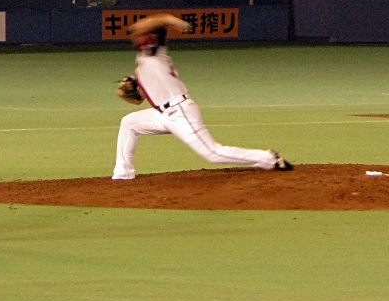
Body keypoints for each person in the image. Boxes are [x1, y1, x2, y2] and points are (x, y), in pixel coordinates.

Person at [112, 14, 293, 180]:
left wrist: (175, 22)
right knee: (129, 123)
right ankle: (122, 174)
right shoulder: (143, 64)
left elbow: (152, 23)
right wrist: (128, 90)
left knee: (212, 153)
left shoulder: (157, 54)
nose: (138, 38)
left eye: (143, 37)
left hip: (180, 111)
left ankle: (268, 158)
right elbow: (139, 100)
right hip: (163, 113)